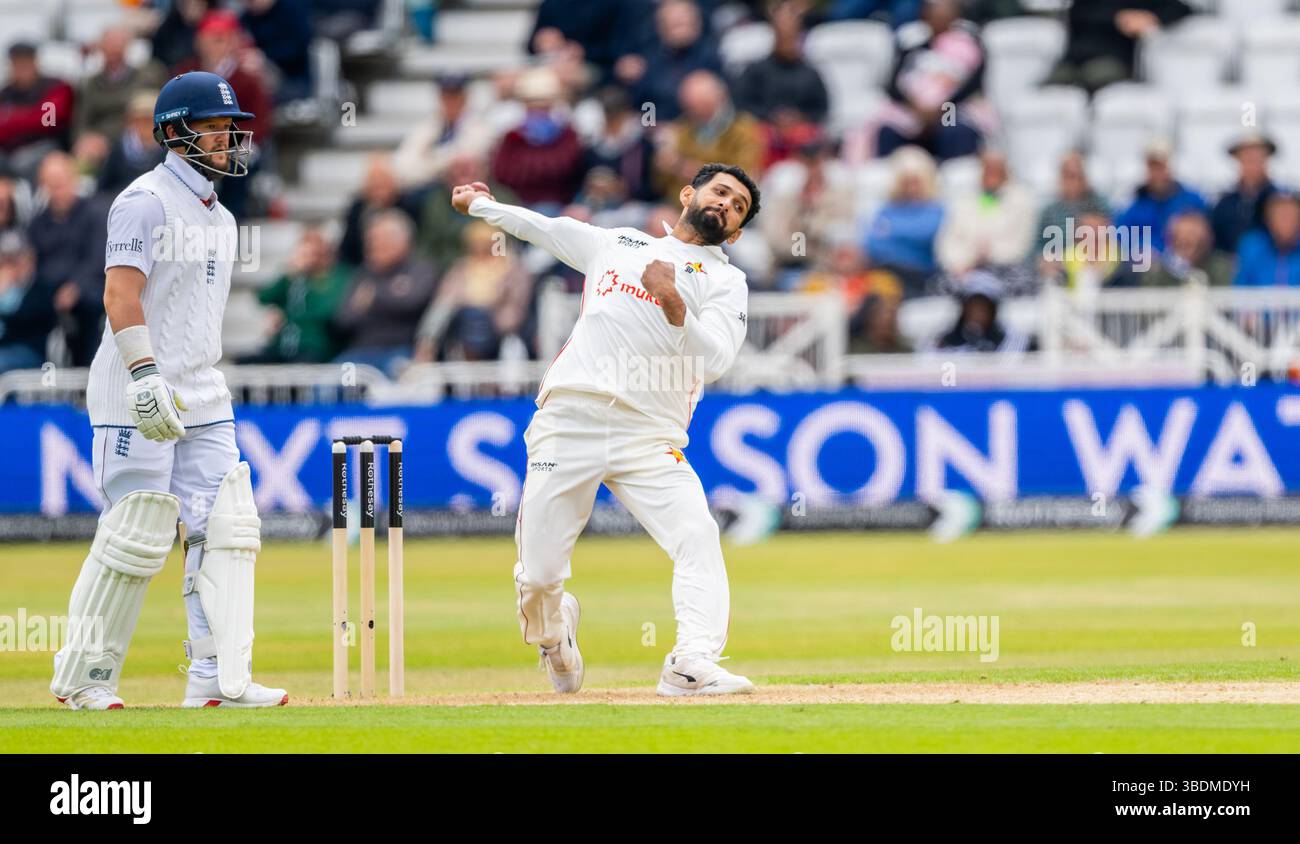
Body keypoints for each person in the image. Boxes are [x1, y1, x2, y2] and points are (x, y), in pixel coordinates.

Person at [450, 162, 762, 696]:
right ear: (689, 193)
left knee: (697, 534)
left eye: (737, 207)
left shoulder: (728, 281)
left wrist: (675, 305)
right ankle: (553, 636)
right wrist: (482, 206)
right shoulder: (619, 242)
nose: (726, 204)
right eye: (720, 192)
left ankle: (690, 663)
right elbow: (545, 228)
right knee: (540, 577)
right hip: (570, 418)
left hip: (651, 435)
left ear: (735, 232)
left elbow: (715, 363)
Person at [50, 71, 286, 711]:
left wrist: (184, 378)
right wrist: (146, 376)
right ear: (175, 132)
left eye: (232, 129)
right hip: (136, 388)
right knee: (136, 531)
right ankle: (85, 679)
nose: (229, 140)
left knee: (225, 530)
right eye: (216, 128)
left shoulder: (224, 217)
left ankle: (216, 679)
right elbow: (118, 296)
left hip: (205, 393)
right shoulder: (143, 201)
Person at [876, 0, 986, 162]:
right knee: (888, 130)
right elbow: (893, 85)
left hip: (951, 108)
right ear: (924, 16)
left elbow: (972, 85)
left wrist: (939, 109)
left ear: (954, 16)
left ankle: (955, 178)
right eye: (933, 14)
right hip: (914, 109)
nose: (938, 19)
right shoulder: (913, 46)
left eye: (944, 14)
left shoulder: (967, 45)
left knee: (953, 129)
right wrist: (915, 107)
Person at [333, 210, 437, 375]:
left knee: (394, 389)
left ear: (403, 241)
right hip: (359, 354)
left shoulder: (421, 269)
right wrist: (393, 293)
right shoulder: (362, 274)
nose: (372, 246)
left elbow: (412, 303)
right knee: (331, 386)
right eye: (370, 240)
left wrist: (372, 298)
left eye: (381, 239)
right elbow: (344, 319)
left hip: (400, 352)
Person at [413, 220, 533, 362]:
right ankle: (427, 344)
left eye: (484, 242)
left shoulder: (513, 268)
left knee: (479, 320)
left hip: (497, 324)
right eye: (476, 242)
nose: (480, 247)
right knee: (446, 310)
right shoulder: (462, 267)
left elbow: (516, 304)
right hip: (464, 319)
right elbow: (447, 297)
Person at [249, 227, 351, 362]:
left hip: (314, 346)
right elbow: (263, 298)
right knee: (247, 364)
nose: (310, 259)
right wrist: (288, 274)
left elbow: (326, 312)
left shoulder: (338, 278)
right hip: (283, 346)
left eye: (314, 254)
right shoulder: (295, 279)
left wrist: (286, 314)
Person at [1046, 0, 1192, 94]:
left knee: (1098, 76)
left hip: (1113, 60)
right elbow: (1078, 14)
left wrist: (1150, 18)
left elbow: (1181, 9)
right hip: (1075, 58)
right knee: (1053, 87)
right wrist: (1118, 18)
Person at [1115, 138, 1206, 255]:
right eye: (1152, 167)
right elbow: (1122, 237)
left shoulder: (1192, 201)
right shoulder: (1136, 206)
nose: (1157, 173)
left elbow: (1204, 236)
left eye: (1161, 167)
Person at [0, 43, 76, 181]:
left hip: (47, 145)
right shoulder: (6, 93)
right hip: (10, 149)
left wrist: (10, 117)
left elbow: (48, 121)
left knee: (22, 163)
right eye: (17, 64)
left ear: (35, 62)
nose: (21, 68)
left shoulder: (55, 86)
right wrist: (31, 114)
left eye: (26, 63)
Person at [1212, 133, 1281, 254]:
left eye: (1257, 157)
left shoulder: (1279, 201)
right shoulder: (1225, 204)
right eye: (1247, 158)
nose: (1252, 164)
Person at [0, 230, 55, 373]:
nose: (11, 264)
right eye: (6, 258)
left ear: (30, 257)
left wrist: (5, 292)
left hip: (29, 351)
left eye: (15, 258)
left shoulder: (41, 287)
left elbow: (29, 320)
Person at [1235, 191, 1300, 287]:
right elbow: (1240, 288)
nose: (1286, 222)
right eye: (1281, 216)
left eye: (1291, 216)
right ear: (1268, 219)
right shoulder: (1251, 247)